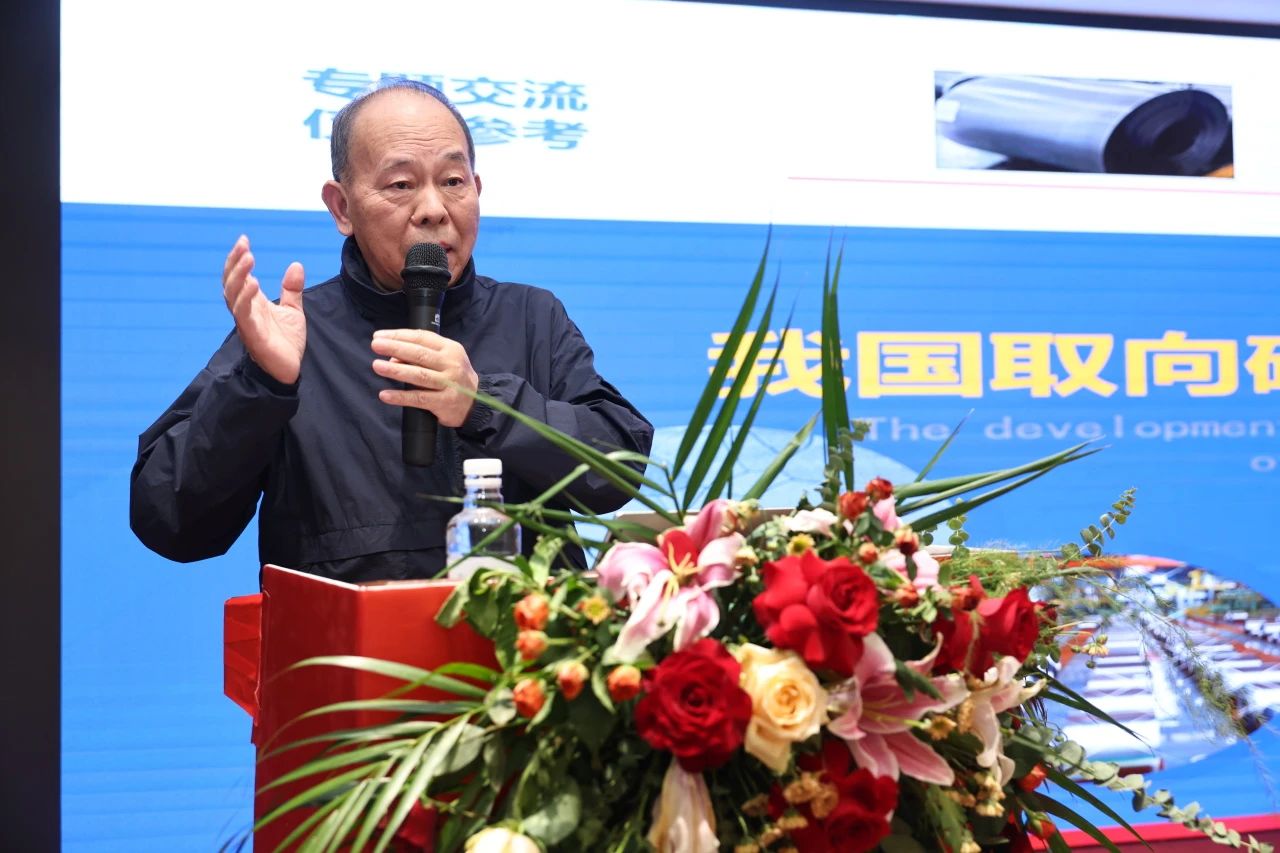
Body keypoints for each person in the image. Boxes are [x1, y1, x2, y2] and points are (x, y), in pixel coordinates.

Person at [129, 80, 653, 581]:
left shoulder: (531, 316)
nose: (433, 210)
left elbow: (617, 469)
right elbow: (170, 521)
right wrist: (260, 387)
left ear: (477, 189)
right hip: (348, 641)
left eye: (453, 182)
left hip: (524, 640)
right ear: (342, 207)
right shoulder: (292, 334)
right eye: (401, 185)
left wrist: (485, 404)